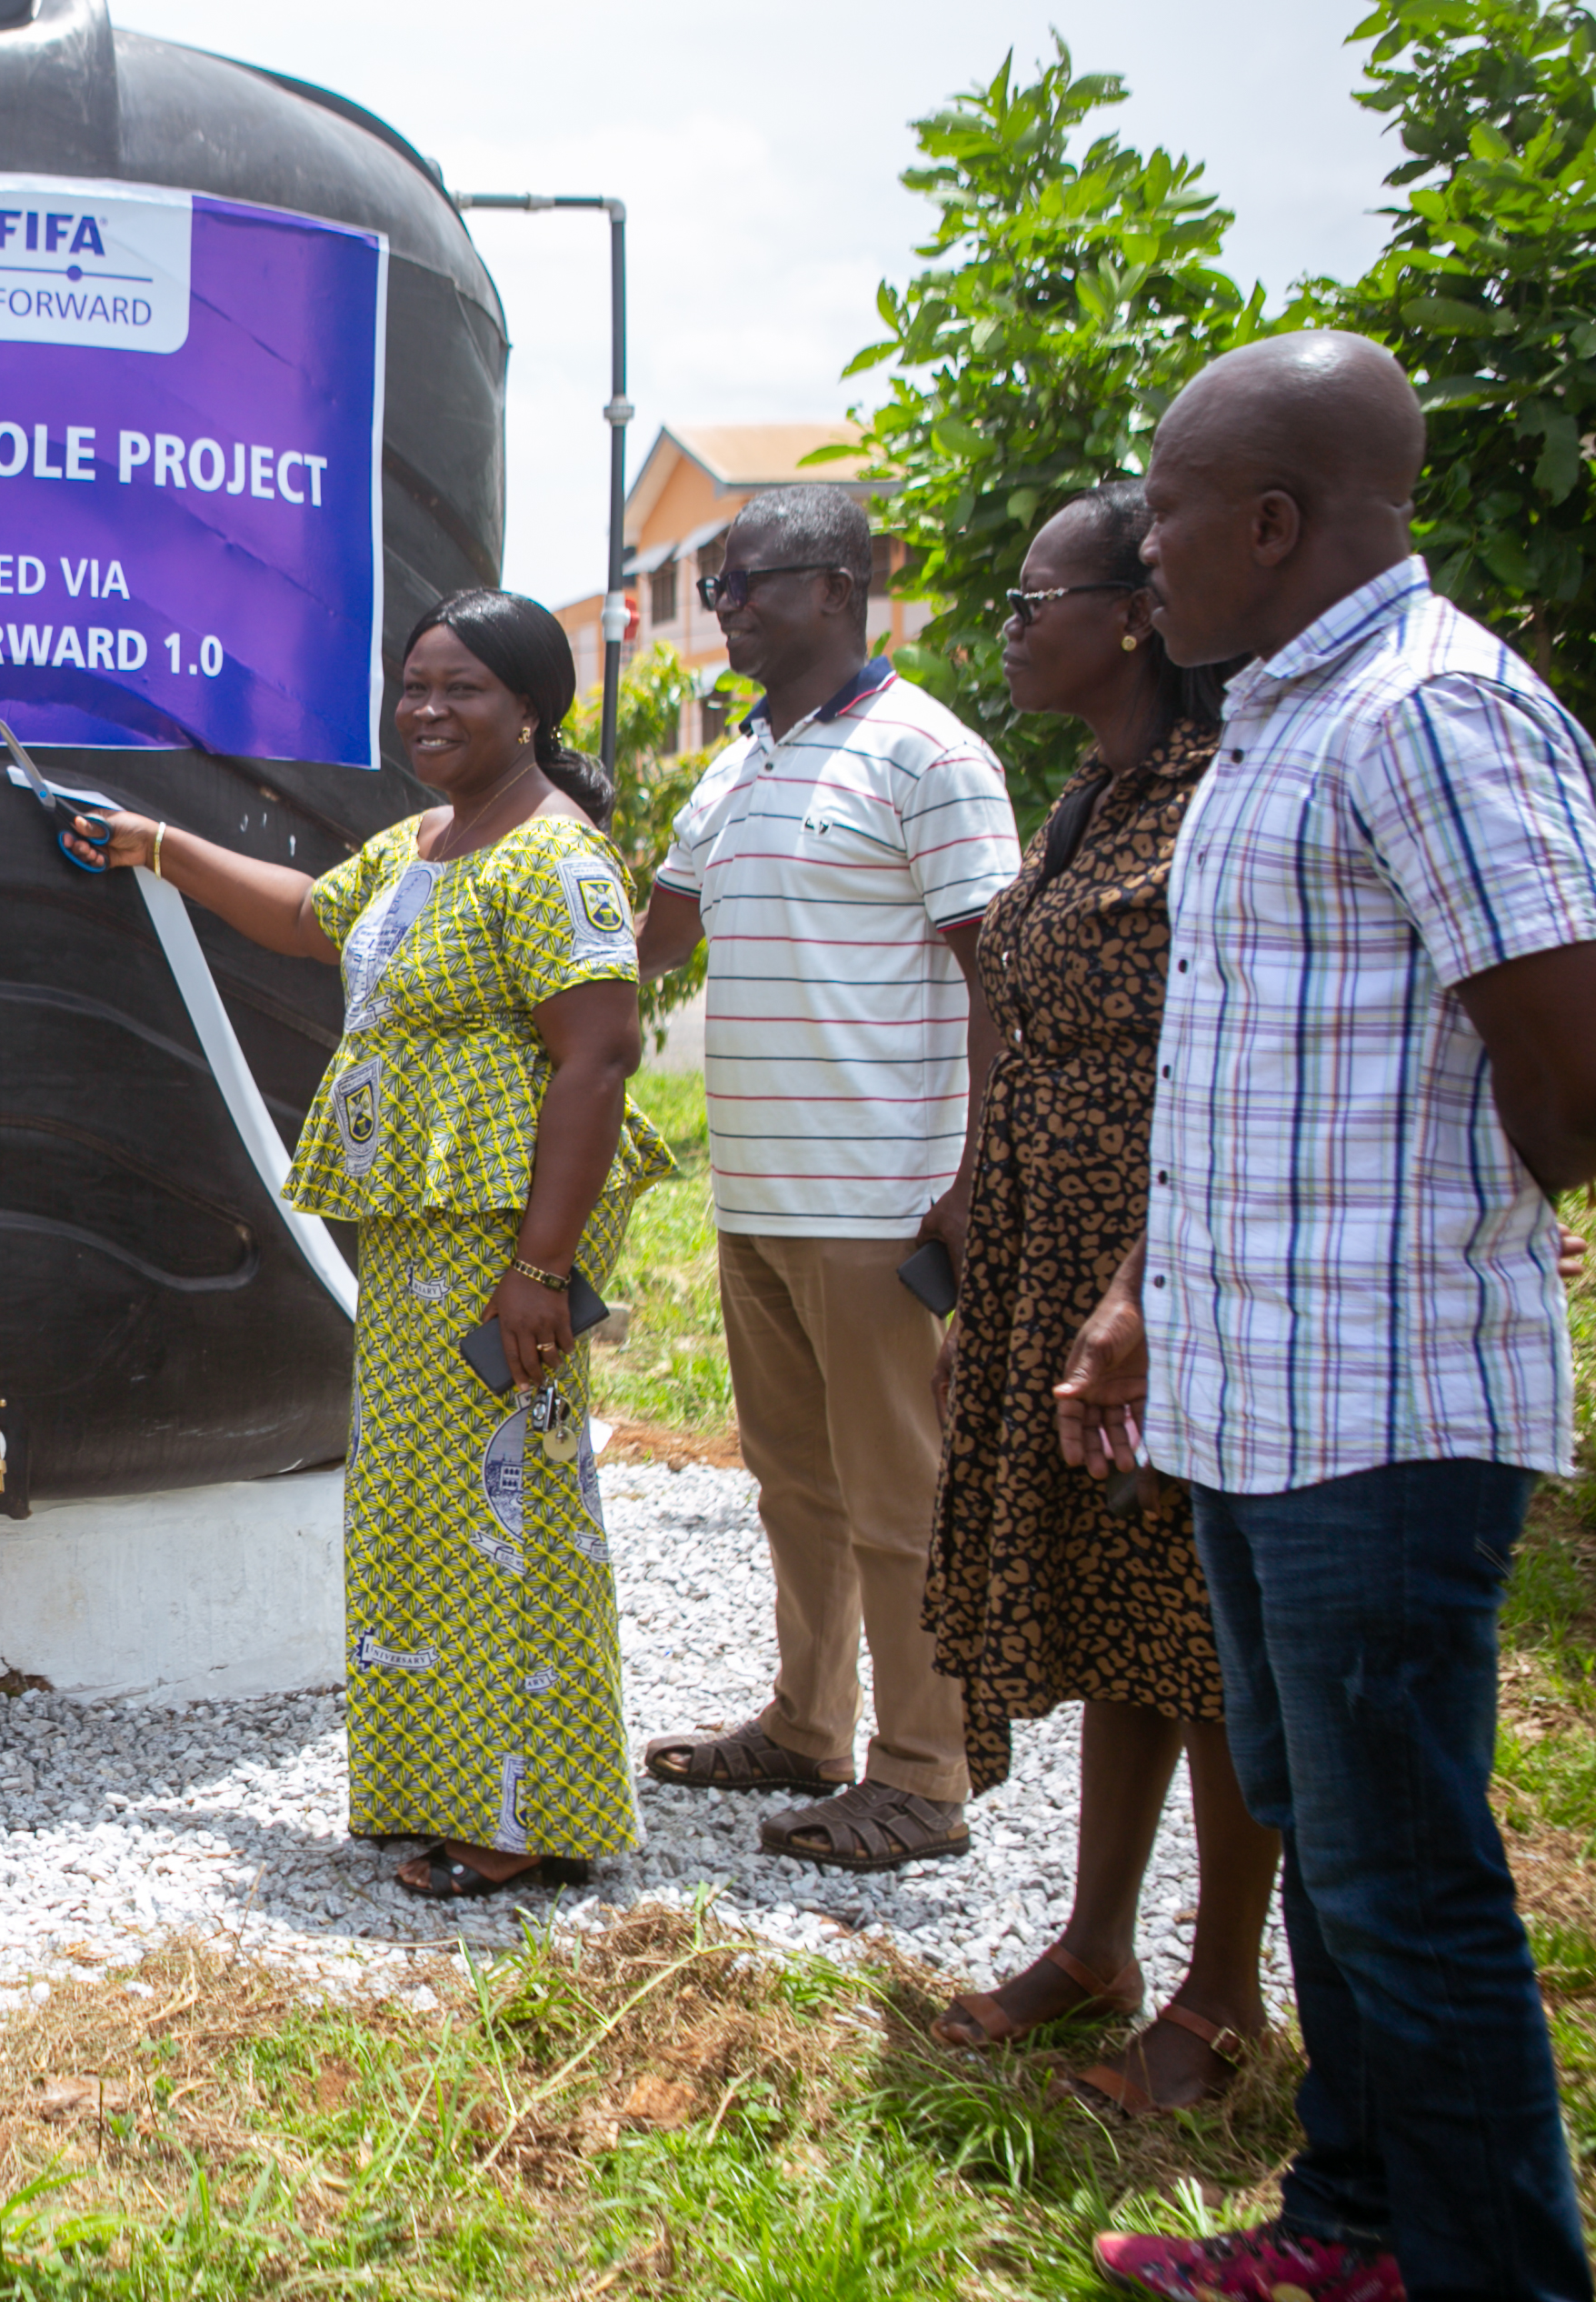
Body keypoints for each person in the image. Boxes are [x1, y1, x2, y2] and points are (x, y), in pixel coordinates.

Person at [1062, 330, 1596, 2302]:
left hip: (1382, 1413)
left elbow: (1588, 1077)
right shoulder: (1278, 720)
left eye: (1158, 516)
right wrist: (1147, 1289)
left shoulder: (1433, 714)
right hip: (1254, 1393)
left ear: (1274, 523)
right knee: (1334, 1834)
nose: (1144, 557)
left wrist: (1437, 1234)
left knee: (1412, 1884)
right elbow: (1253, 1060)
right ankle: (1352, 2235)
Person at [57, 589, 673, 1897]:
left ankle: (515, 1818)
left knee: (500, 1518)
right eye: (416, 687)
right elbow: (305, 916)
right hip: (416, 1241)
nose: (430, 710)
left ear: (531, 709)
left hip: (501, 1245)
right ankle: (438, 1789)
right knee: (416, 1516)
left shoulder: (554, 860)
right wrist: (158, 844)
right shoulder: (433, 842)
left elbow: (599, 1056)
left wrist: (544, 1270)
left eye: (464, 690)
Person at [914, 483, 1279, 2112]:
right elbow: (1022, 1018)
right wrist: (985, 1254)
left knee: (1199, 1630)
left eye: (1029, 598)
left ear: (1130, 613)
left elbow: (1229, 1055)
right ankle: (1096, 1948)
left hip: (1168, 1257)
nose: (1010, 626)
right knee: (1118, 1615)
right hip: (1053, 1246)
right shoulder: (1097, 798)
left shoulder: (1223, 792)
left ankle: (1219, 2002)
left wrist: (1132, 1288)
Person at [633, 485, 1020, 1870]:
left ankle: (925, 1774)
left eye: (744, 584)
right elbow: (653, 946)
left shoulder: (928, 756)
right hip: (758, 1199)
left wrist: (978, 1177)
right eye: (716, 585)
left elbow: (1001, 982)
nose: (723, 608)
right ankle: (807, 1725)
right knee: (794, 1483)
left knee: (898, 1498)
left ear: (838, 589)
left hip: (877, 1206)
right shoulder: (736, 765)